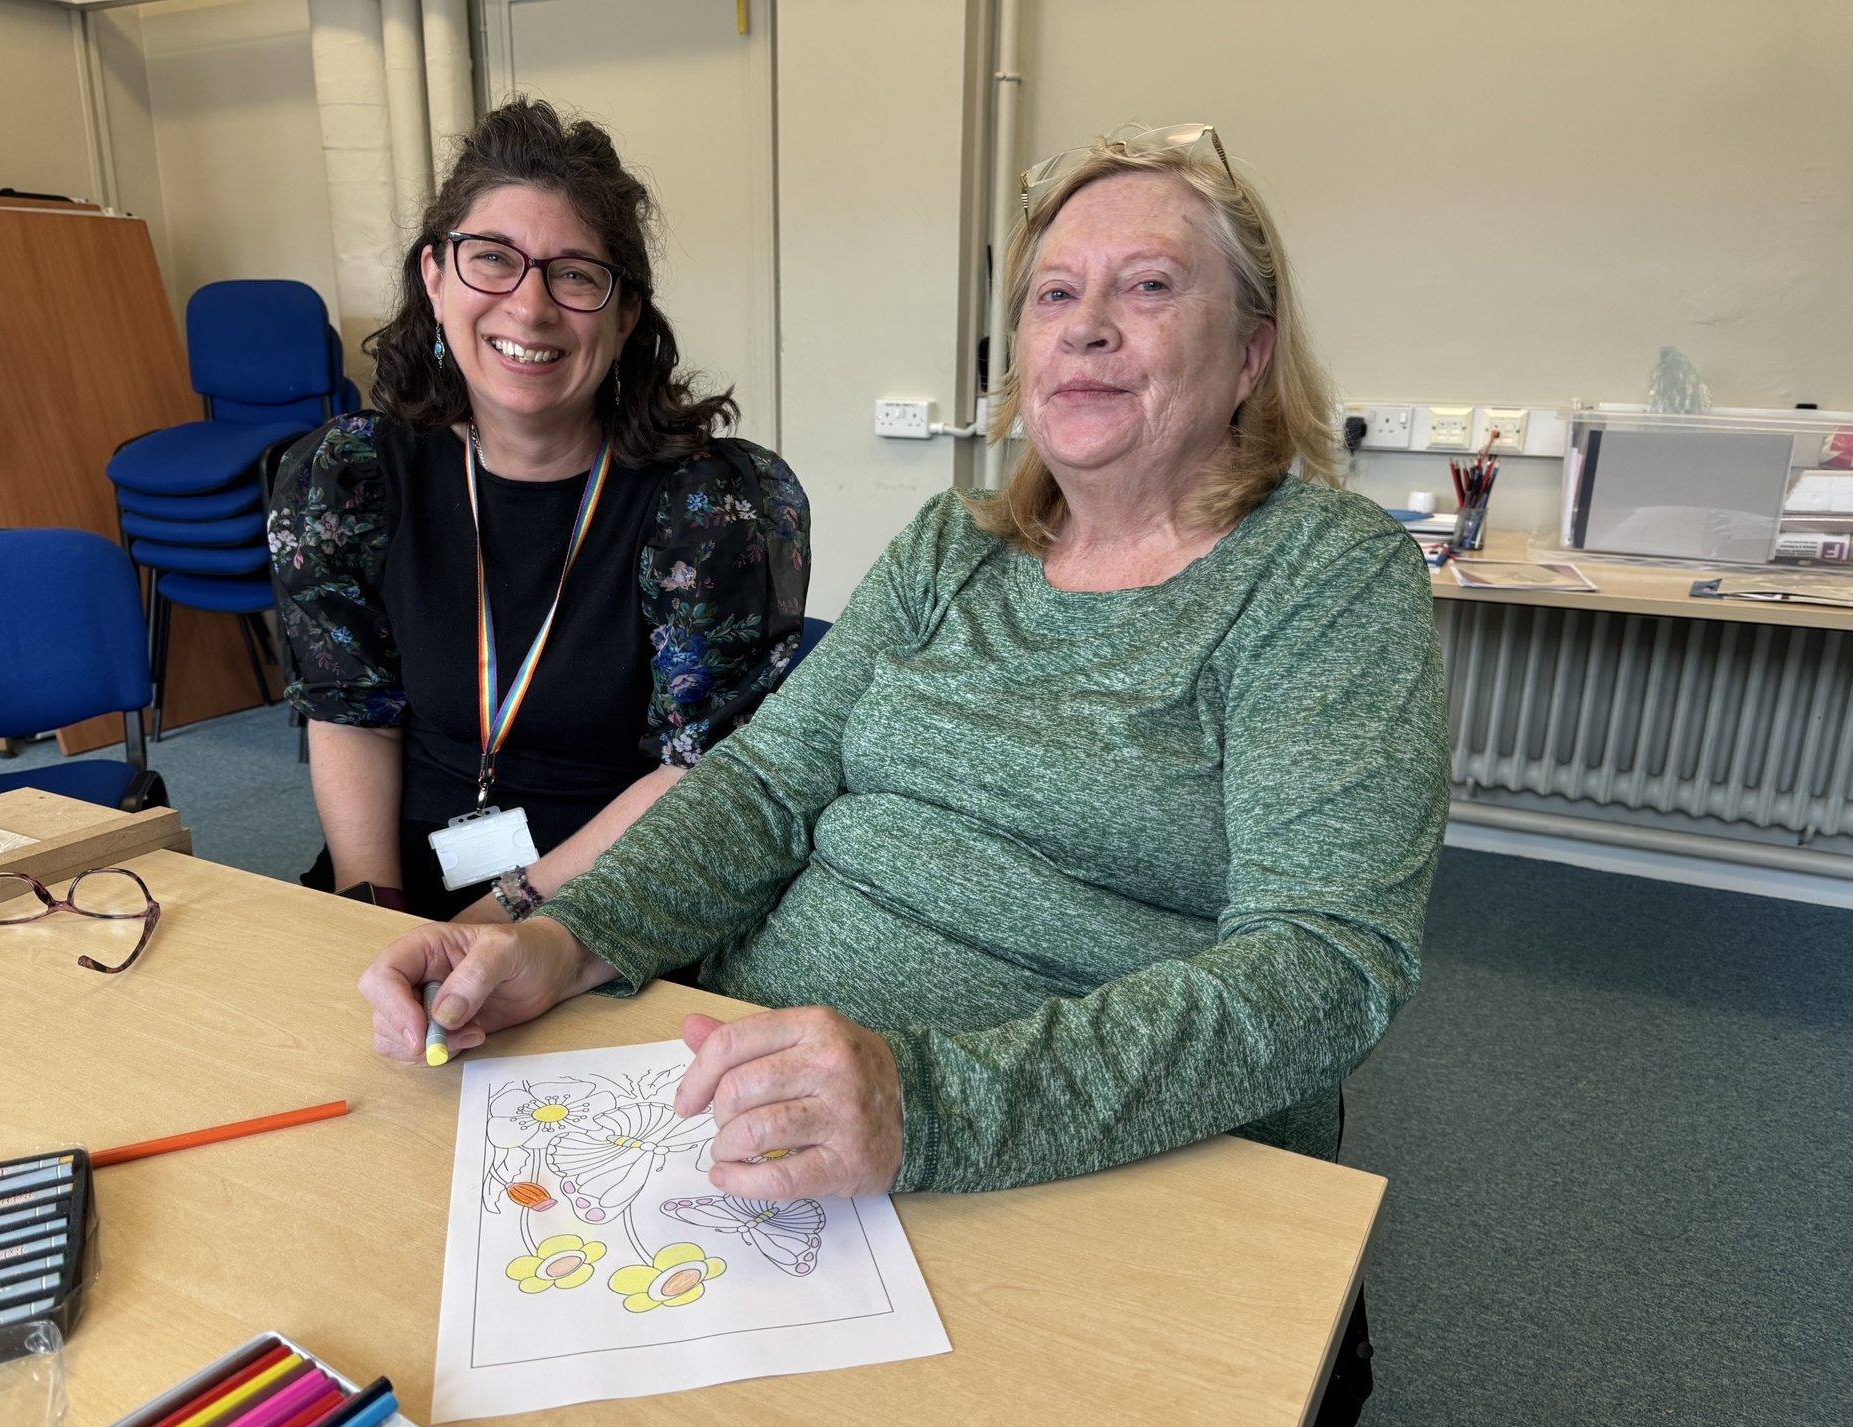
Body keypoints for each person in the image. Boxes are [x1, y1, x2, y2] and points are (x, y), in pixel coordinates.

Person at [361, 122, 1447, 1196]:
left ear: (1251, 351)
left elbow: (1326, 963)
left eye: (1150, 287)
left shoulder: (1322, 575)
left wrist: (924, 1104)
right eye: (1054, 295)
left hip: (1073, 1161)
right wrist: (564, 939)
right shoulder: (954, 544)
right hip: (758, 1096)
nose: (1087, 329)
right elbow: (762, 784)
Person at [271, 97, 810, 921]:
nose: (530, 307)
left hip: (615, 897)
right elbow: (351, 715)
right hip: (390, 878)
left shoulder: (716, 507)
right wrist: (370, 912)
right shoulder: (350, 478)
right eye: (492, 258)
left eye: (575, 274)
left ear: (626, 314)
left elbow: (700, 772)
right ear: (434, 276)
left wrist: (501, 919)